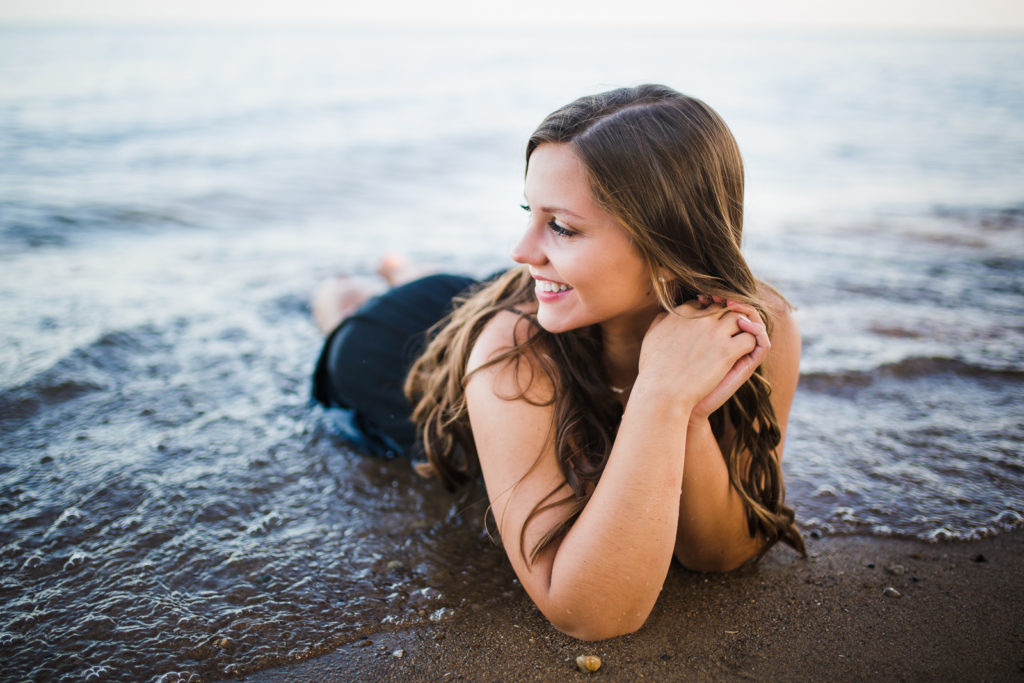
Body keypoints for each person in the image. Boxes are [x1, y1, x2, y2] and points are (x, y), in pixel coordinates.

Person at [311, 84, 805, 641]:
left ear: (671, 251)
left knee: (483, 283)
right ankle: (355, 284)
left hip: (540, 298)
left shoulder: (759, 328)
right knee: (346, 309)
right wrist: (659, 393)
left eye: (562, 226)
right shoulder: (513, 360)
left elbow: (720, 554)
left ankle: (402, 267)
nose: (520, 249)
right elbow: (589, 612)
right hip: (394, 350)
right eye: (529, 213)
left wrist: (684, 408)